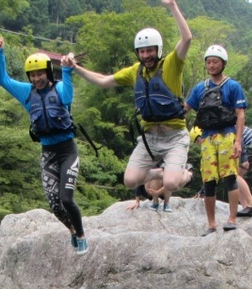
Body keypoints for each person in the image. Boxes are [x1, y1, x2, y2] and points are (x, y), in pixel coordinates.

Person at [71, 0, 193, 210]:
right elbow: (103, 81)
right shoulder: (135, 72)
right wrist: (75, 67)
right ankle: (161, 171)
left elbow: (187, 38)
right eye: (142, 52)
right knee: (129, 181)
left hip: (174, 137)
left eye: (150, 51)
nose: (146, 56)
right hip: (150, 138)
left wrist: (173, 7)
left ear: (158, 50)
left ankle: (186, 172)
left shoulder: (172, 64)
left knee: (171, 183)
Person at [0, 37, 89, 255]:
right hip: (48, 153)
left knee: (66, 198)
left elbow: (68, 97)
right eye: (32, 75)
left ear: (48, 73)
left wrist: (67, 71)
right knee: (54, 203)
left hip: (67, 150)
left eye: (40, 74)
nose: (36, 79)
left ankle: (82, 236)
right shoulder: (27, 93)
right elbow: (2, 79)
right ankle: (72, 230)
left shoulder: (60, 88)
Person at [184, 45, 247, 235]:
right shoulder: (200, 88)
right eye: (209, 62)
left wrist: (238, 141)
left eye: (215, 62)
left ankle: (232, 219)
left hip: (227, 135)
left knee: (230, 177)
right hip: (207, 137)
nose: (211, 65)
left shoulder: (233, 86)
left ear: (223, 64)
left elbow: (240, 115)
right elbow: (185, 109)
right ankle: (211, 224)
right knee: (209, 180)